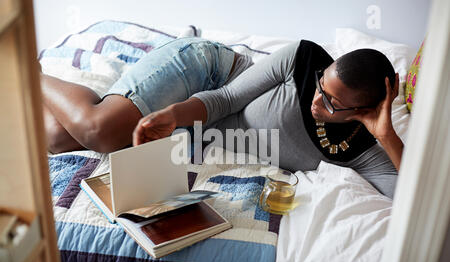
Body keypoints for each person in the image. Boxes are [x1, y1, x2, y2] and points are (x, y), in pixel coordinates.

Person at [133, 40, 403, 199]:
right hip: (209, 73)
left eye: (333, 102)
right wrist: (174, 115)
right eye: (321, 84)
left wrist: (386, 136)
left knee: (120, 142)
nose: (316, 100)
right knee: (101, 132)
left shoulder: (359, 149)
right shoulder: (303, 59)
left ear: (365, 110)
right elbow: (225, 98)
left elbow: (410, 198)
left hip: (198, 129)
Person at [42, 37, 253, 154]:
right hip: (213, 74)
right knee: (96, 130)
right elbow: (234, 94)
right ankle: (29, 72)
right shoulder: (287, 67)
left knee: (58, 138)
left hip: (208, 122)